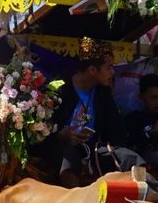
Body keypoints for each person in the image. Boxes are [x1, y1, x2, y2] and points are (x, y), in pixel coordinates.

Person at [40, 38, 130, 187]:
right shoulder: (58, 88)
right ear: (92, 70)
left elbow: (116, 131)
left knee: (128, 157)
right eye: (109, 67)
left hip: (92, 148)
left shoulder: (102, 93)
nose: (113, 72)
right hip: (62, 145)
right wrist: (63, 135)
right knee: (68, 159)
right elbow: (41, 129)